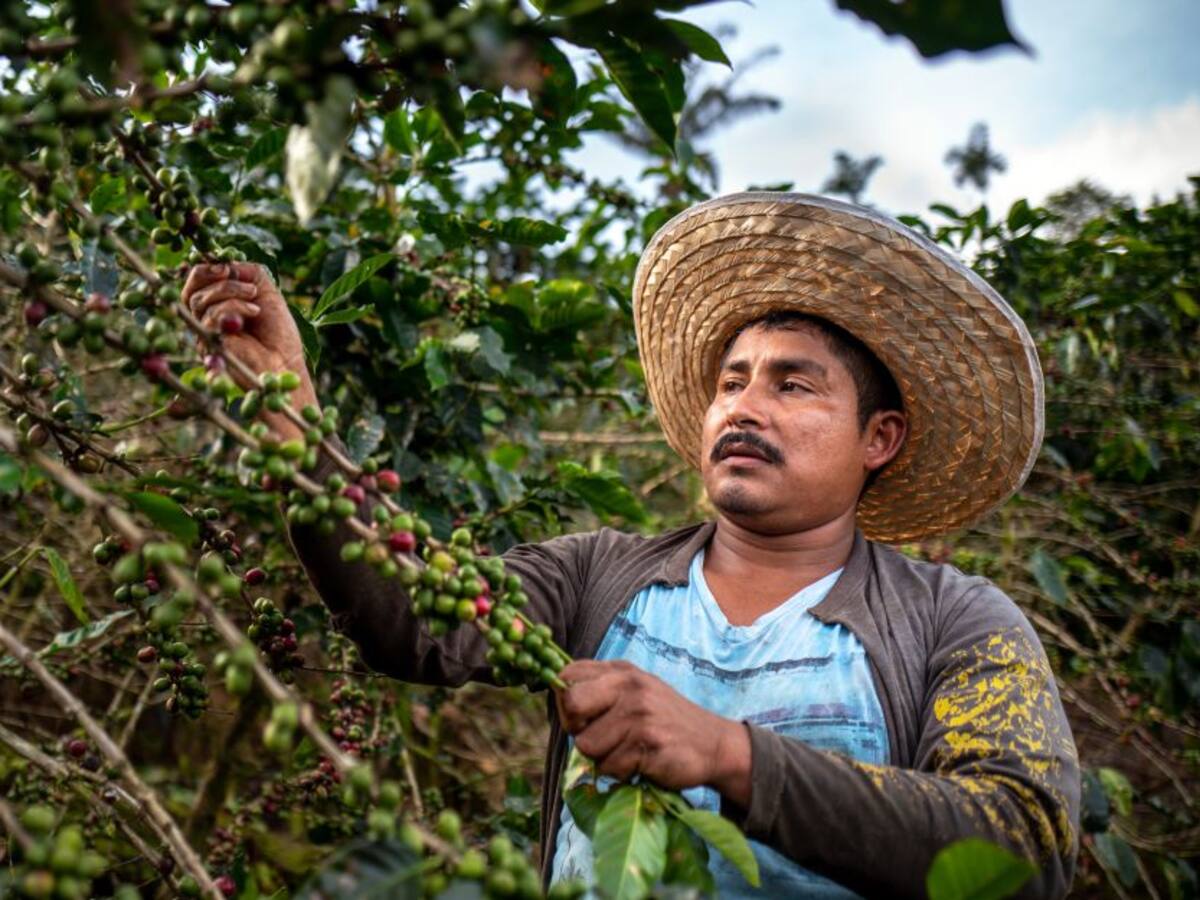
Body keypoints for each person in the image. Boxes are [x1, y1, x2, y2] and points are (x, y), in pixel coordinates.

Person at [182, 193, 1080, 899]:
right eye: (730, 382)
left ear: (878, 439)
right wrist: (293, 418)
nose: (743, 408)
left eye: (793, 386)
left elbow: (1023, 846)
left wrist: (730, 755)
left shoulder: (954, 620)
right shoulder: (597, 575)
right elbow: (411, 619)